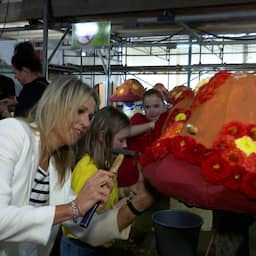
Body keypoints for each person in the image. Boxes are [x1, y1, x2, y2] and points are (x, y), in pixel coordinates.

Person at [0, 76, 150, 256]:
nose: (87, 123)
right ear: (57, 105)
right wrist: (73, 208)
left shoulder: (58, 167)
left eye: (90, 116)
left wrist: (138, 203)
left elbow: (84, 228)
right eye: (80, 111)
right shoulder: (12, 132)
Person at [60, 105, 154, 256]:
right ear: (103, 137)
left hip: (96, 243)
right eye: (121, 140)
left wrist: (127, 190)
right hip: (80, 245)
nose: (125, 146)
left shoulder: (107, 164)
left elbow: (104, 200)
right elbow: (79, 219)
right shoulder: (88, 170)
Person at [118, 88, 168, 188]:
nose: (152, 111)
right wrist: (151, 125)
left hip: (151, 179)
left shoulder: (168, 125)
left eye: (156, 106)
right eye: (147, 107)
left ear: (164, 107)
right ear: (143, 108)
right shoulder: (139, 118)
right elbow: (123, 132)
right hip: (129, 176)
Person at [11, 41, 48, 117]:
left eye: (16, 73)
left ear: (24, 71)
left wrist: (5, 112)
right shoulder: (45, 85)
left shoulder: (29, 91)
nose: (16, 77)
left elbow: (21, 123)